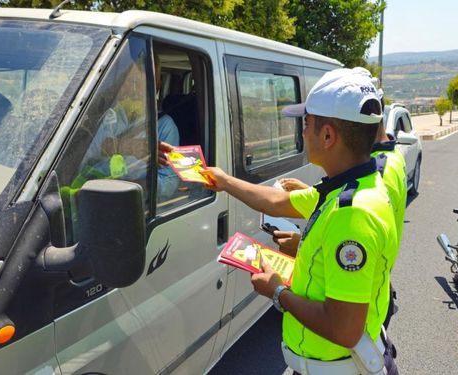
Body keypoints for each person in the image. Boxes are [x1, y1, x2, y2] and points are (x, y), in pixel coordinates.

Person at [201, 69, 398, 374]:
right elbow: (277, 201)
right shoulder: (351, 186)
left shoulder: (352, 213)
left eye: (306, 125)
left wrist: (278, 291)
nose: (303, 133)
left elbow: (344, 329)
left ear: (328, 135)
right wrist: (225, 181)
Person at [86, 52, 180, 200]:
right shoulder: (109, 116)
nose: (135, 91)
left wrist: (125, 187)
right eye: (130, 82)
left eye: (141, 82)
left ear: (157, 85)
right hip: (89, 191)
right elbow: (84, 156)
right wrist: (127, 146)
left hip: (130, 203)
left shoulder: (164, 126)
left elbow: (168, 183)